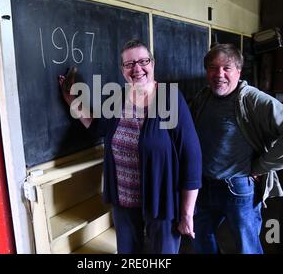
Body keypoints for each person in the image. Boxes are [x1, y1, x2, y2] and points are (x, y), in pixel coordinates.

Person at [58, 39, 202, 254]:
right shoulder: (118, 99)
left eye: (143, 61)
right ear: (122, 69)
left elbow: (191, 156)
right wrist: (72, 102)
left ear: (152, 64)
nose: (137, 69)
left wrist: (187, 213)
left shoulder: (169, 99)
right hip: (124, 201)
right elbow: (98, 127)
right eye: (129, 64)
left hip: (161, 201)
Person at [189, 43, 283, 254]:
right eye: (213, 67)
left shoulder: (252, 99)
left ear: (238, 71)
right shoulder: (203, 97)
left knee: (246, 248)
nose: (218, 74)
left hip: (238, 188)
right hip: (204, 187)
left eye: (226, 68)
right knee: (201, 240)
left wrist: (261, 166)